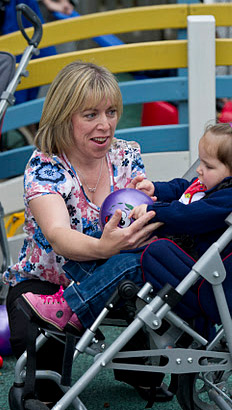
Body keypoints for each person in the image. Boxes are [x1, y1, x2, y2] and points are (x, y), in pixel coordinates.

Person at [17, 121, 232, 398]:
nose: (200, 170)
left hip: (195, 276)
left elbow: (191, 216)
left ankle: (71, 309)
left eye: (208, 166)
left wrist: (152, 211)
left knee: (131, 262)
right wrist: (154, 190)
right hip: (180, 262)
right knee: (125, 250)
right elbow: (183, 188)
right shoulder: (212, 184)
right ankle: (77, 292)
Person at [3, 61, 167, 407]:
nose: (105, 125)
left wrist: (149, 203)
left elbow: (142, 212)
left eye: (111, 112)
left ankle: (139, 373)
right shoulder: (46, 165)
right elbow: (60, 235)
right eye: (90, 114)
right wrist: (104, 245)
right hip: (48, 283)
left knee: (151, 286)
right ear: (65, 116)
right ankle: (44, 383)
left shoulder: (126, 156)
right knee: (39, 372)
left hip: (112, 276)